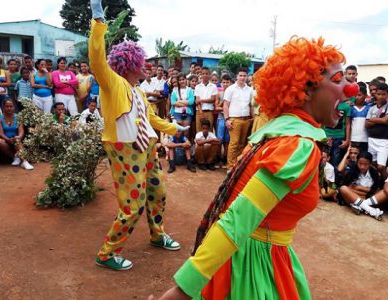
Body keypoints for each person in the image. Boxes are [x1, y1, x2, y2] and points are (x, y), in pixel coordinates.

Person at [152, 37, 357, 300]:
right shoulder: (296, 146)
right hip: (252, 268)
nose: (350, 89)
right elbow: (239, 217)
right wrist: (183, 290)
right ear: (305, 90)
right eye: (338, 80)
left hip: (255, 256)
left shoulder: (274, 133)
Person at [89, 0, 189, 271]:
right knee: (132, 205)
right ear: (130, 64)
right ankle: (107, 253)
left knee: (157, 192)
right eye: (141, 63)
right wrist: (98, 23)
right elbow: (97, 60)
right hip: (124, 148)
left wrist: (173, 128)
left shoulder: (138, 91)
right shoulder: (113, 83)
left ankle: (158, 235)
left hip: (147, 148)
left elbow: (151, 119)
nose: (145, 67)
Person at [223, 67, 255, 170]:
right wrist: (227, 119)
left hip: (246, 120)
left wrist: (253, 118)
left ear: (247, 77)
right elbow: (226, 105)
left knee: (242, 144)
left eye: (244, 76)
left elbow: (251, 105)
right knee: (234, 143)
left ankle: (237, 165)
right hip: (234, 120)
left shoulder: (250, 90)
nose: (242, 77)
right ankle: (230, 166)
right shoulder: (230, 89)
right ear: (237, 76)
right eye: (240, 75)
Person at [339, 151, 382, 219]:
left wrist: (358, 188)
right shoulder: (353, 170)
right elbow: (348, 188)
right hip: (353, 197)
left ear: (370, 164)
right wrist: (363, 192)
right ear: (357, 162)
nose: (362, 167)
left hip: (368, 198)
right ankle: (370, 210)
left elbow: (376, 191)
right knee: (343, 188)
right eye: (360, 163)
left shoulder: (375, 173)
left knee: (383, 192)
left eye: (366, 164)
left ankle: (360, 206)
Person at [366, 82, 388, 180]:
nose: (381, 96)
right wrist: (381, 120)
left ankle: (387, 184)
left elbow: (386, 120)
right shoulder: (371, 108)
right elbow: (367, 124)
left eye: (383, 94)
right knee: (373, 165)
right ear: (375, 94)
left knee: (381, 166)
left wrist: (373, 120)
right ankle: (377, 184)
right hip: (371, 139)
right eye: (379, 94)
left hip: (383, 140)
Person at [0, 99, 33, 170]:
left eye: (11, 106)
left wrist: (18, 137)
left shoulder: (18, 117)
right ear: (3, 107)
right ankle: (15, 157)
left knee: (17, 140)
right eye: (7, 106)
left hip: (16, 139)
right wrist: (7, 139)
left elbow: (21, 131)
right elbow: (0, 133)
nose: (9, 108)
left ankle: (25, 162)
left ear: (14, 107)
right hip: (5, 139)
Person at [214, 74, 232, 167]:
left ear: (230, 83)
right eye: (224, 82)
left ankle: (225, 157)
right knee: (219, 139)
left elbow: (233, 108)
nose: (225, 84)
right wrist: (224, 102)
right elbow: (216, 108)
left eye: (227, 82)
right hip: (221, 119)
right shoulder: (219, 93)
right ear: (221, 83)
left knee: (227, 140)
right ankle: (218, 157)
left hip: (229, 119)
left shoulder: (233, 93)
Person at [195, 67, 217, 132]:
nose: (205, 75)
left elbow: (212, 99)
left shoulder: (213, 86)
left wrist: (201, 100)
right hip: (199, 111)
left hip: (209, 111)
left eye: (207, 73)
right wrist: (201, 113)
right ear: (201, 75)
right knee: (199, 130)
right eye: (203, 73)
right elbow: (197, 101)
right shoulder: (197, 86)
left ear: (209, 75)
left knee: (209, 130)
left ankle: (208, 142)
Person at [349, 83, 369, 152]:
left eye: (359, 95)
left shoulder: (369, 107)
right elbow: (348, 124)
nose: (357, 97)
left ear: (365, 96)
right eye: (355, 95)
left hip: (366, 139)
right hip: (353, 138)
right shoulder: (351, 108)